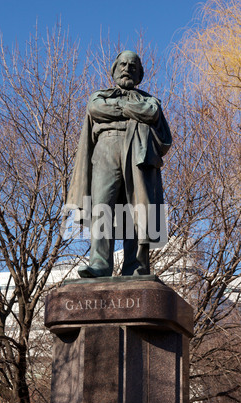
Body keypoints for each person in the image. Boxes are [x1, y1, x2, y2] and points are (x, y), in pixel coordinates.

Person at [65, 50, 172, 278]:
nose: (127, 68)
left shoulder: (149, 100)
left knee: (137, 210)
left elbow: (151, 112)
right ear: (114, 70)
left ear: (140, 73)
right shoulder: (99, 96)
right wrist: (130, 111)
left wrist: (120, 108)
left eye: (133, 66)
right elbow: (96, 109)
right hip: (106, 149)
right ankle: (100, 264)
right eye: (123, 64)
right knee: (102, 206)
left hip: (138, 154)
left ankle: (136, 266)